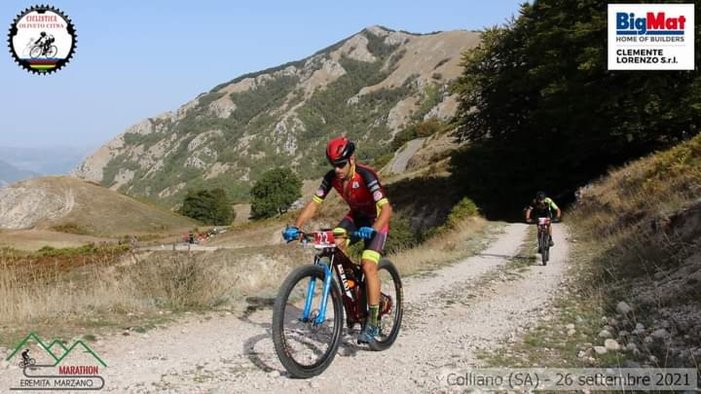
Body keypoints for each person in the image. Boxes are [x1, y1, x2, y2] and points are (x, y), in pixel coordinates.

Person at [282, 136, 393, 345]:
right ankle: (353, 291)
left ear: (352, 159)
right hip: (355, 217)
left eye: (341, 164)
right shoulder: (331, 177)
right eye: (333, 165)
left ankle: (372, 322)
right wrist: (297, 227)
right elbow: (314, 204)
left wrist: (373, 229)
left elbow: (387, 209)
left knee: (369, 265)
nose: (337, 170)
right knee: (335, 243)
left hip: (376, 220)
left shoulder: (366, 175)